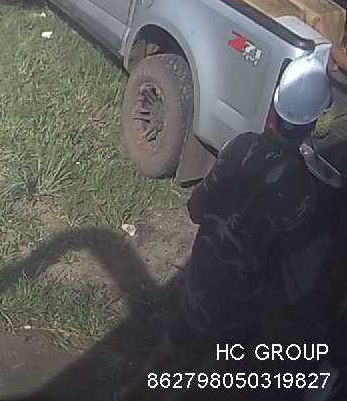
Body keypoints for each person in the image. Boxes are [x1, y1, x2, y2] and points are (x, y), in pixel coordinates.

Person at [122, 42, 344, 399]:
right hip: (238, 311)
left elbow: (196, 209)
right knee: (217, 369)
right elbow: (297, 276)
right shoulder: (301, 190)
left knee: (173, 342)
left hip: (198, 284)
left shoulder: (241, 147)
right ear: (313, 123)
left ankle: (129, 391)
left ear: (274, 107)